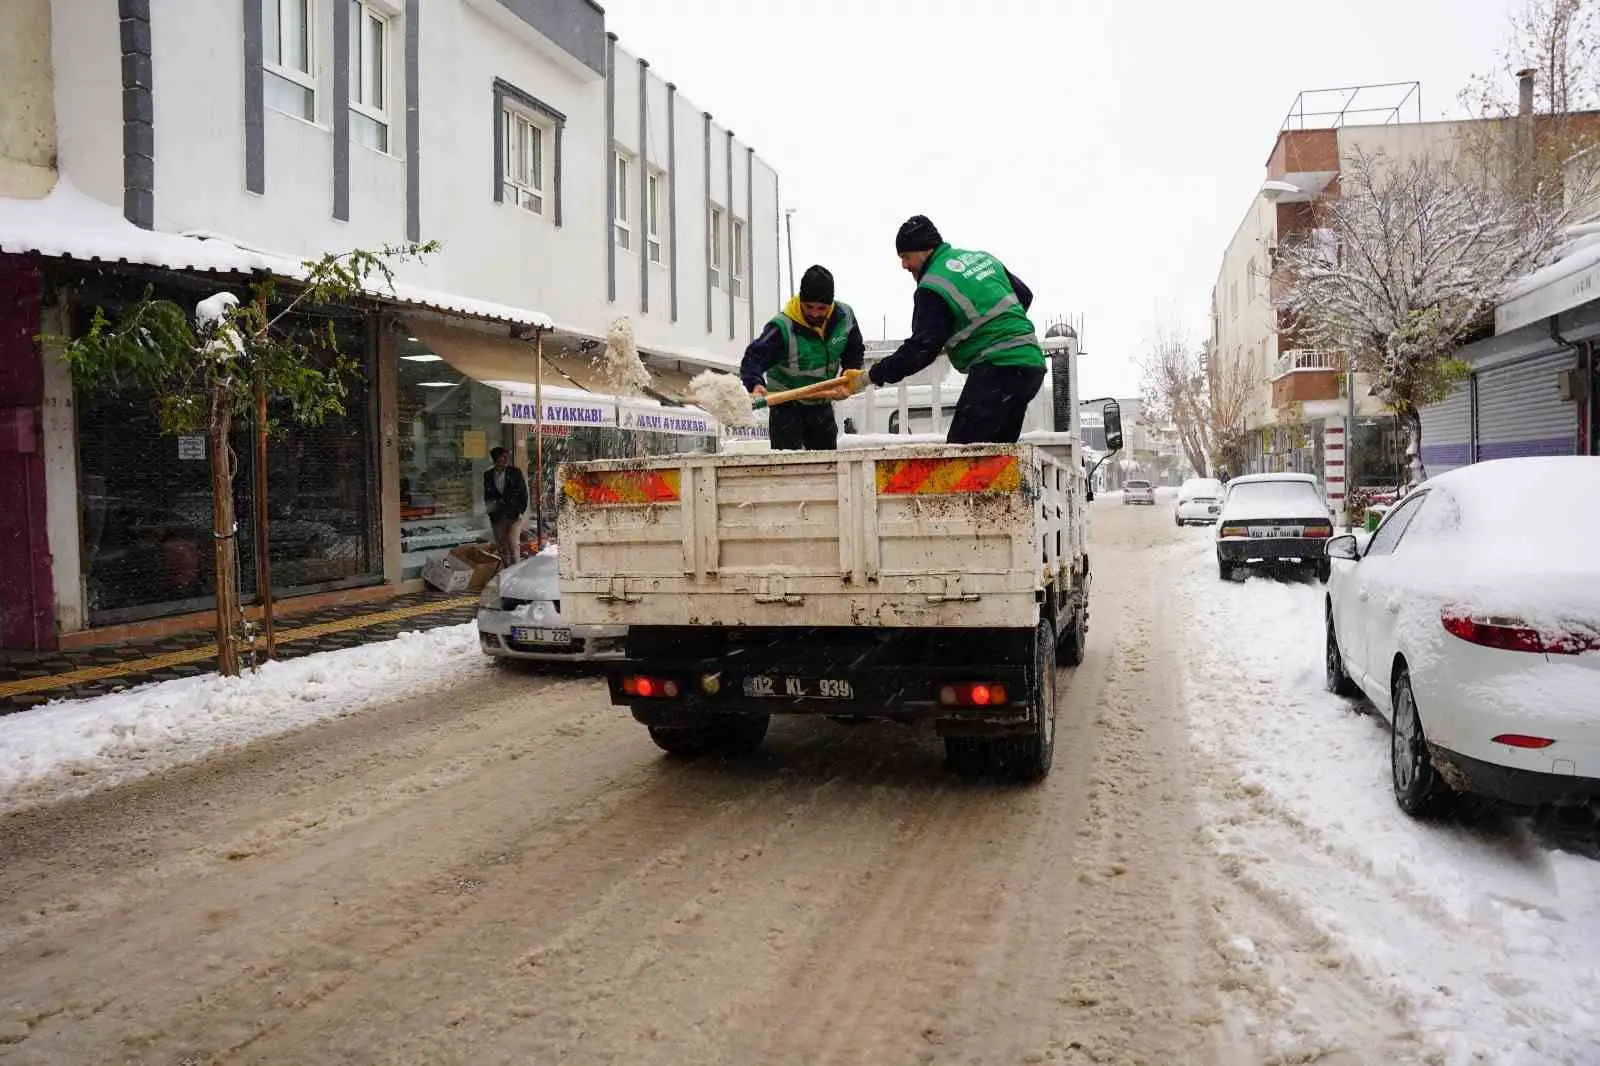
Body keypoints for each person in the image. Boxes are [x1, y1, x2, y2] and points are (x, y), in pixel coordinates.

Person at [843, 215, 1046, 444]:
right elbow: (1024, 296)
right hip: (1030, 366)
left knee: (959, 460)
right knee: (994, 458)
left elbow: (921, 349)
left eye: (906, 257)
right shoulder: (981, 259)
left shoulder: (933, 286)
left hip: (999, 370)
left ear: (924, 250)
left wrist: (870, 376)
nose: (904, 266)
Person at [740, 264, 865, 450]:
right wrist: (755, 384)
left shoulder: (844, 318)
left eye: (821, 308)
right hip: (786, 407)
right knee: (789, 469)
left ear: (831, 305)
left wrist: (847, 375)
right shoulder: (783, 327)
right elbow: (753, 358)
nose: (815, 313)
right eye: (809, 307)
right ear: (800, 301)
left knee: (826, 466)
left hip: (821, 404)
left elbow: (854, 351)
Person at [483, 446, 529, 567]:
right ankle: (506, 569)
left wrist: (521, 510)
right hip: (497, 515)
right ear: (495, 460)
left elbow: (523, 493)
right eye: (501, 458)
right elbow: (487, 495)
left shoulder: (515, 472)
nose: (504, 461)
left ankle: (516, 570)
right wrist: (490, 512)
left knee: (513, 544)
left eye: (505, 458)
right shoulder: (488, 475)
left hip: (514, 514)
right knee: (502, 546)